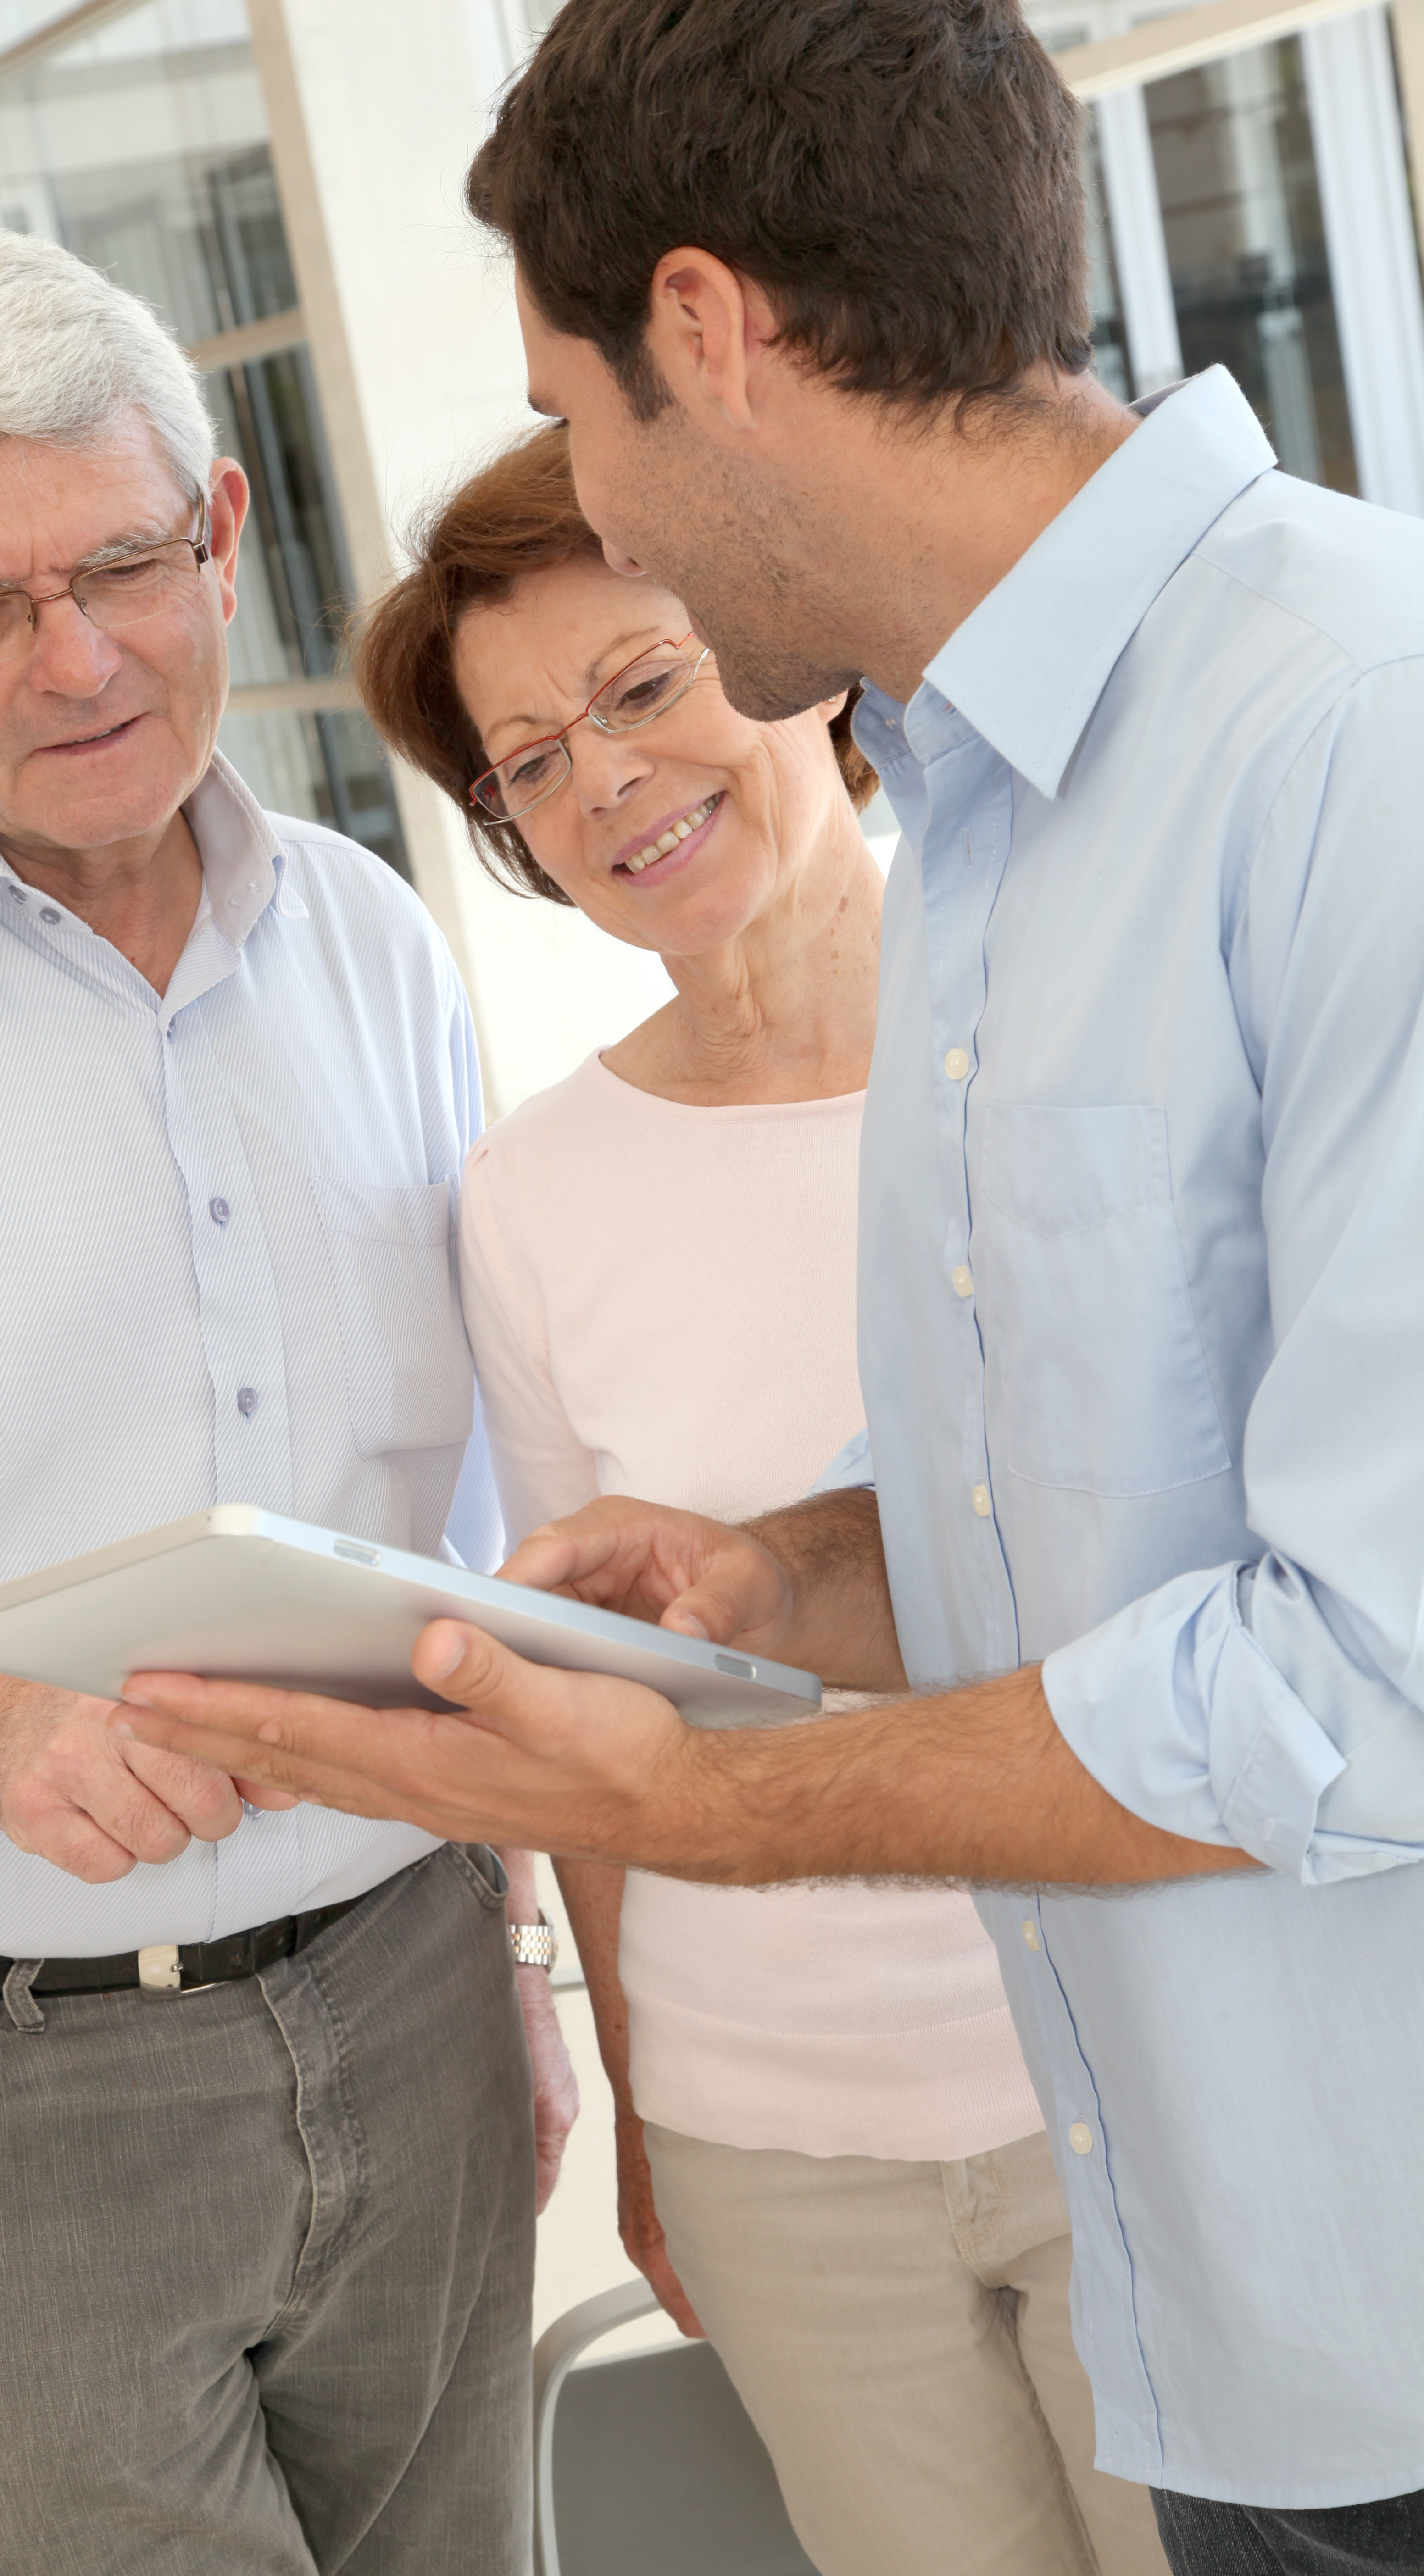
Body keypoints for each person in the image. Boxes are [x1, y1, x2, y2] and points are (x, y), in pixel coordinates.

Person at [121, 5, 1424, 2572]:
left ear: (704, 335)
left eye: (571, 414)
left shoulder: (1349, 743)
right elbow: (1080, 1475)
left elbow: (1372, 1668)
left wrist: (702, 1805)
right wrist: (778, 1585)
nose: (592, 499)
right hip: (1236, 2308)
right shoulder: (983, 796)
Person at [0, 231, 575, 2576]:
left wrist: (507, 1945)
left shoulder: (378, 947)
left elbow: (450, 1531)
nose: (77, 659)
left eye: (118, 563)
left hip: (407, 2008)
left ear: (220, 530)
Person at [351, 422, 1164, 2576]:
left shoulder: (1063, 1045)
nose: (602, 782)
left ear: (800, 655)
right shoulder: (529, 1196)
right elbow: (586, 1707)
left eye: (641, 687)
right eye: (528, 760)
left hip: (1143, 2076)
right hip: (775, 2148)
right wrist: (644, 2120)